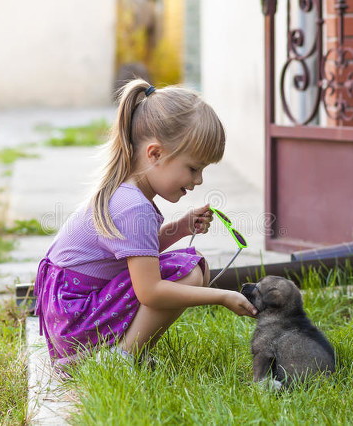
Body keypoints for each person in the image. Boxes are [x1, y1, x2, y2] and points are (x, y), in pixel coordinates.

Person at [34, 79, 257, 368]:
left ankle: (121, 352)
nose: (198, 180)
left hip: (70, 317)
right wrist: (221, 297)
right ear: (155, 154)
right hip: (77, 323)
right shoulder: (133, 205)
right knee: (187, 269)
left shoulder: (126, 192)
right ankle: (119, 359)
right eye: (193, 168)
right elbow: (150, 291)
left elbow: (137, 251)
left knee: (189, 264)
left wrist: (182, 227)